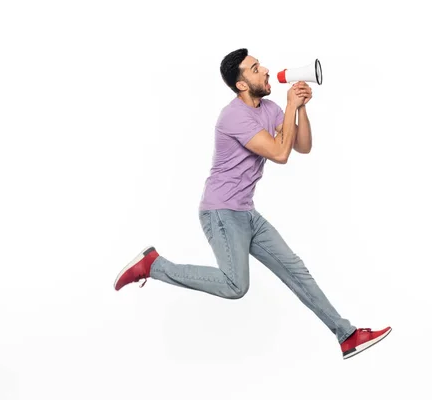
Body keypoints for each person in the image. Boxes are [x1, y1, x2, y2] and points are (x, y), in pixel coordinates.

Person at [114, 48, 391, 360]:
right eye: (256, 68)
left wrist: (300, 109)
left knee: (296, 270)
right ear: (242, 84)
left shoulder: (269, 108)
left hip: (246, 212)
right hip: (220, 212)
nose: (266, 70)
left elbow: (301, 146)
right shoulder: (234, 116)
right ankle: (153, 265)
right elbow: (279, 154)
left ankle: (347, 336)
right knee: (235, 286)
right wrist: (289, 105)